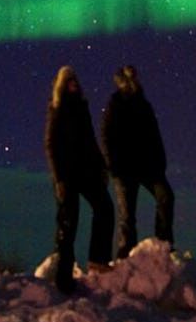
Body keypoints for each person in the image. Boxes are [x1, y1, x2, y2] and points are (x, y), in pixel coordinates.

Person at [45, 65, 113, 293]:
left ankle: (98, 260)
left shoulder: (82, 108)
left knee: (105, 208)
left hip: (87, 172)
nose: (74, 83)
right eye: (69, 80)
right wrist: (59, 179)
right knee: (68, 222)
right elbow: (51, 144)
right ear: (62, 84)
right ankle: (63, 278)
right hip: (67, 174)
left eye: (75, 79)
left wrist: (102, 167)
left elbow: (91, 140)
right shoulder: (57, 108)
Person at [101, 64, 175, 259]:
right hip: (124, 168)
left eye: (134, 77)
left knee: (166, 197)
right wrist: (112, 166)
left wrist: (160, 162)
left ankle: (163, 245)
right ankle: (125, 257)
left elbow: (154, 134)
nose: (132, 80)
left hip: (148, 166)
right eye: (128, 77)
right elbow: (106, 135)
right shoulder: (115, 103)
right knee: (127, 216)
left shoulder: (144, 104)